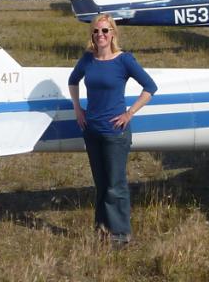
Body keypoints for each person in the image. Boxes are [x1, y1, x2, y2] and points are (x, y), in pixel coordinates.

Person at [68, 14, 157, 245]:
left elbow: (150, 87)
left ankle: (120, 234)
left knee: (115, 184)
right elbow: (73, 80)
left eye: (105, 31)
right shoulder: (88, 59)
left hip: (115, 133)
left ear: (113, 34)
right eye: (96, 31)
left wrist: (129, 113)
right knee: (101, 183)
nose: (100, 35)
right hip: (92, 129)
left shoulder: (124, 60)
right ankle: (102, 227)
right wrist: (78, 108)